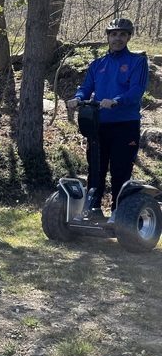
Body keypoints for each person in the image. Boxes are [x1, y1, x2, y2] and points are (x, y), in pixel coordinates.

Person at [66, 17, 148, 222]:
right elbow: (86, 87)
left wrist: (116, 101)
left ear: (128, 37)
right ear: (108, 38)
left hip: (125, 124)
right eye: (114, 34)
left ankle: (119, 212)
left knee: (121, 170)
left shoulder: (137, 62)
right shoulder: (97, 64)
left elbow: (137, 90)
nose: (117, 38)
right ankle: (93, 210)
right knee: (96, 168)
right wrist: (78, 98)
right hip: (99, 125)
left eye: (122, 34)